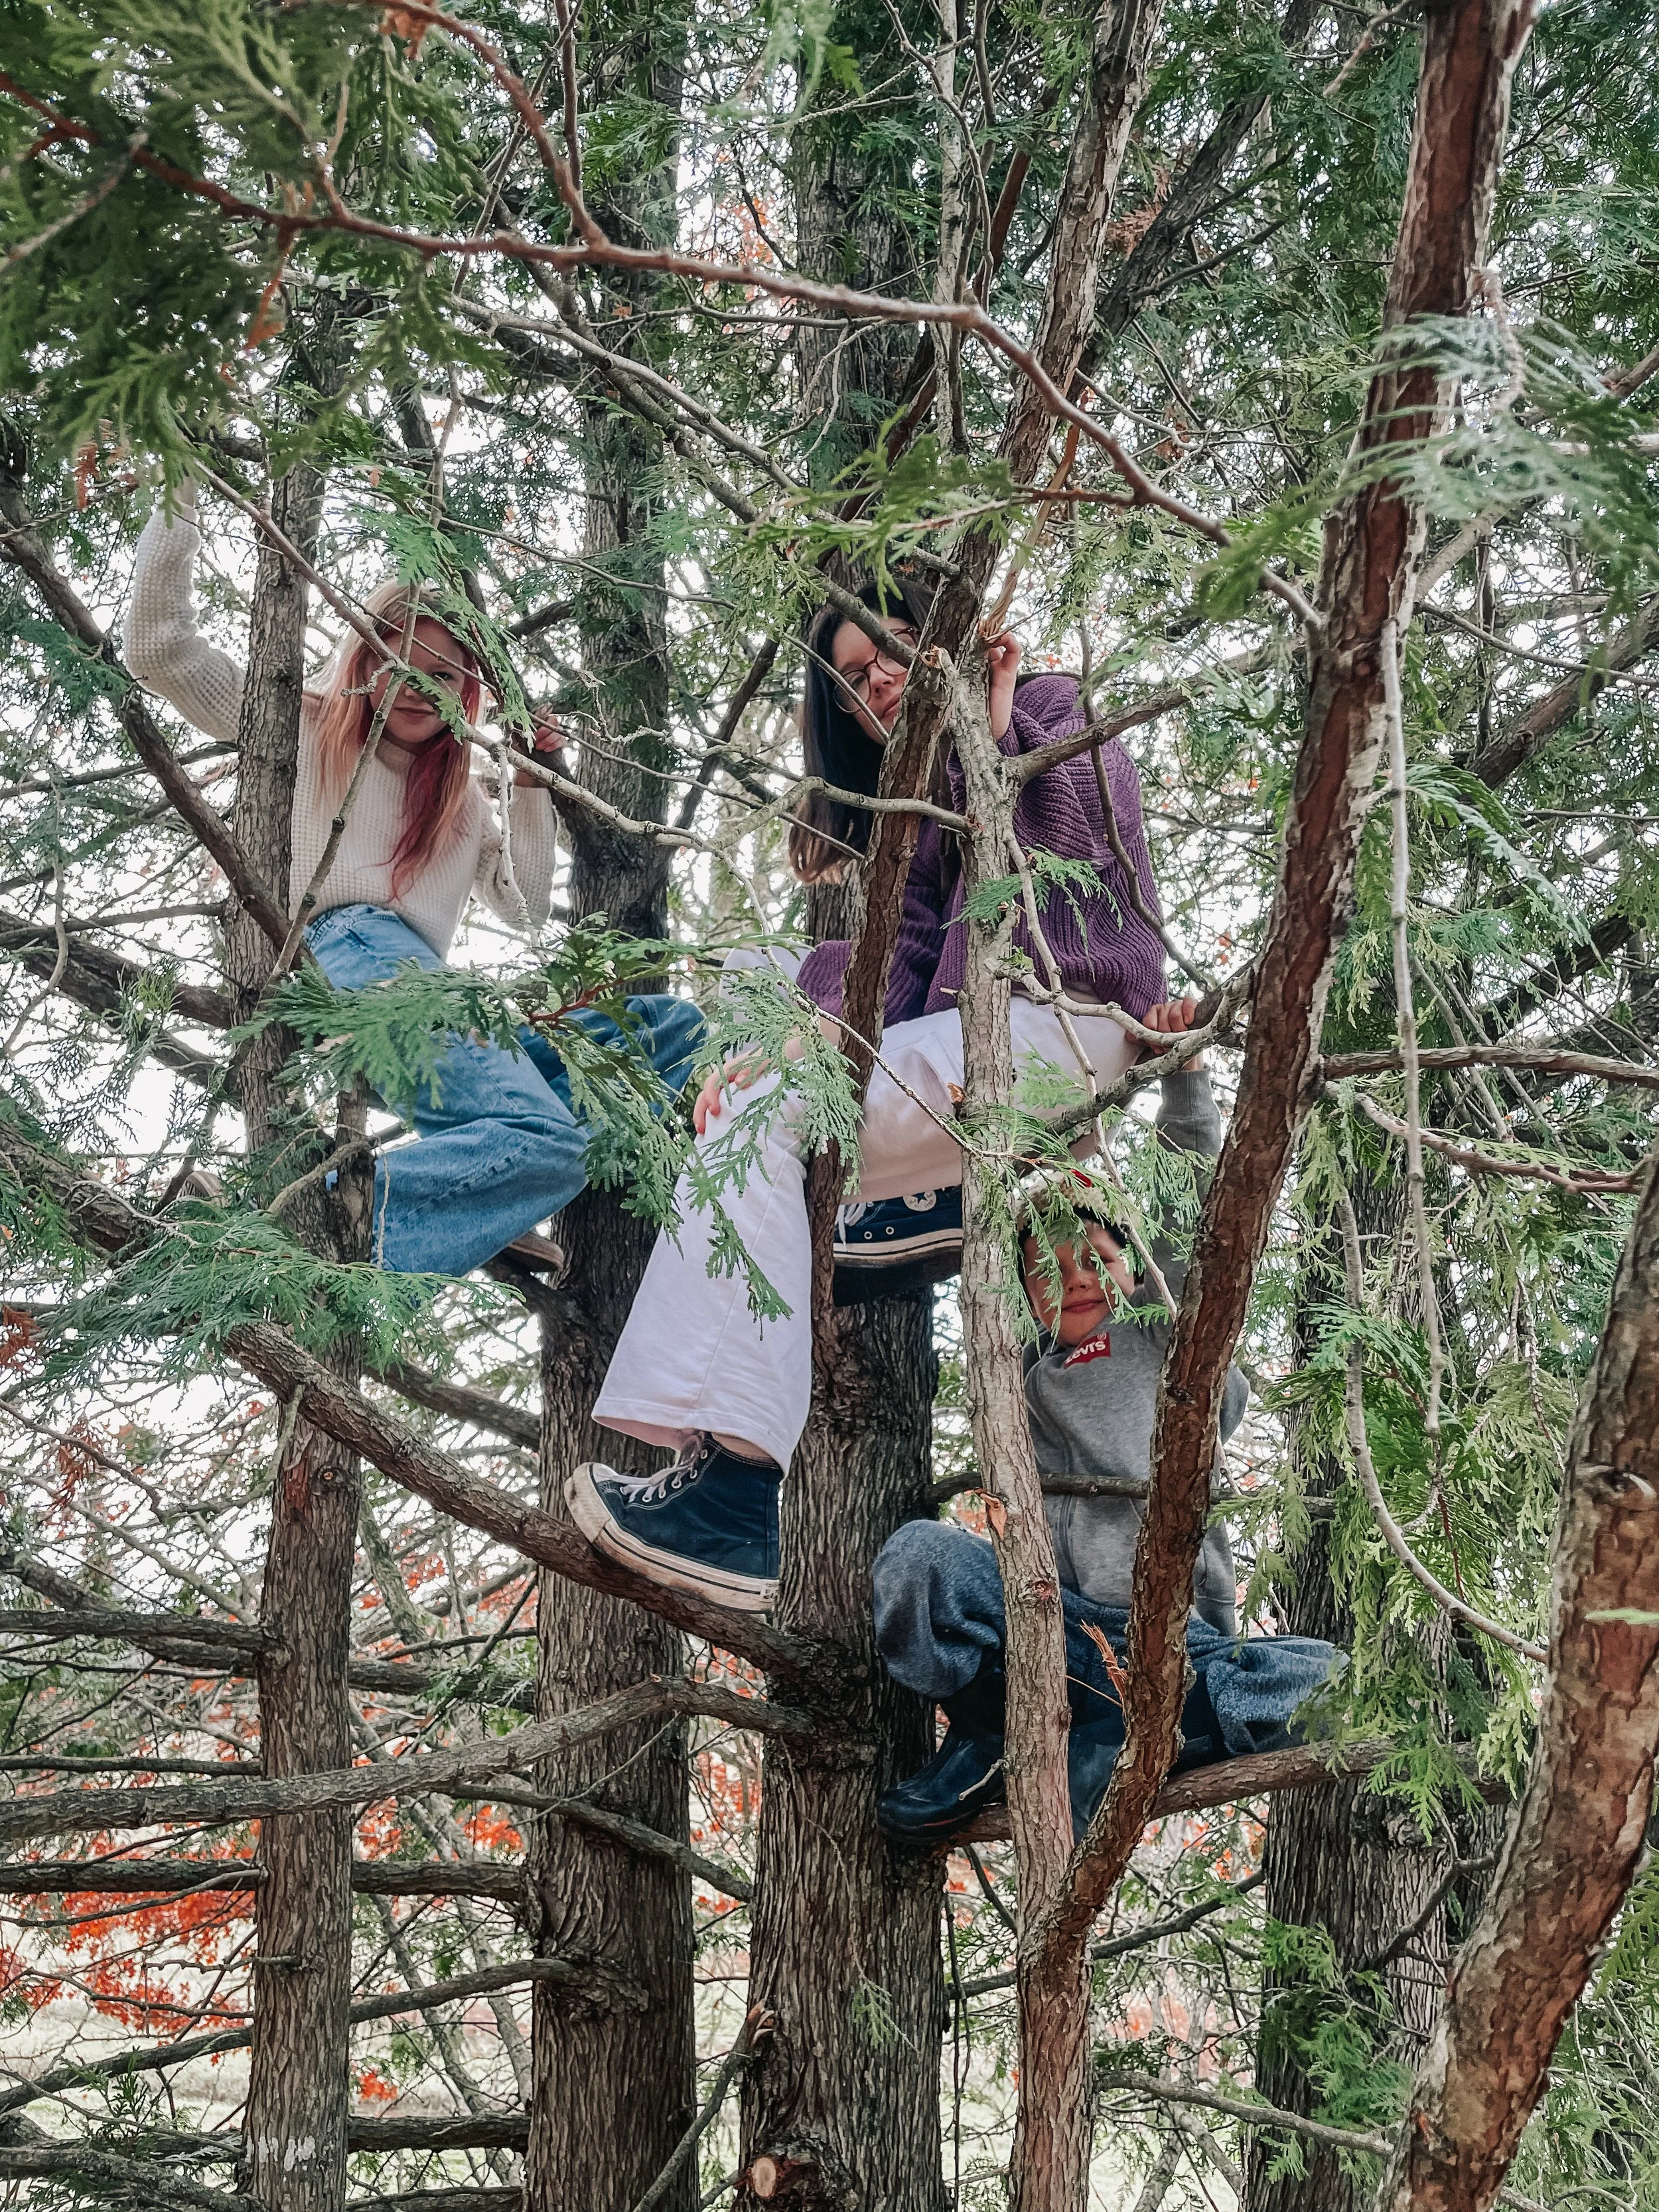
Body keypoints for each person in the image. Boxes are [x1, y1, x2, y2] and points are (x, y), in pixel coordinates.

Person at [565, 573, 1172, 1611]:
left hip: (1063, 1029)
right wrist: (783, 1031)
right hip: (975, 1055)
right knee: (762, 1045)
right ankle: (731, 1463)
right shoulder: (918, 801)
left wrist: (995, 733)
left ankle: (737, 1495)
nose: (880, 678)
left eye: (895, 645)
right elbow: (904, 971)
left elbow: (1075, 865)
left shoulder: (1057, 712)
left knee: (774, 1107)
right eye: (854, 677)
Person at [127, 484, 702, 1278]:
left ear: (467, 689)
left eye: (441, 672)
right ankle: (293, 1215)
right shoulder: (300, 721)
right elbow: (160, 651)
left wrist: (530, 780)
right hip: (346, 957)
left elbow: (527, 909)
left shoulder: (458, 801)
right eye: (395, 660)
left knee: (669, 1031)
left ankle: (483, 1194)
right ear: (364, 658)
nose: (413, 684)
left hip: (429, 992)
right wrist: (180, 488)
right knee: (546, 1140)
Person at [871, 1015, 1340, 1843]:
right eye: (1047, 1266)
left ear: (1135, 1266)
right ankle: (993, 1729)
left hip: (1175, 1643)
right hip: (1055, 1642)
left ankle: (1167, 1728)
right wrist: (999, 1143)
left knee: (1326, 1673)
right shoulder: (1017, 1367)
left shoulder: (1165, 1333)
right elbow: (985, 1246)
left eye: (1096, 1256)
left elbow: (1197, 1215)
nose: (1074, 1276)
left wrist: (1182, 1080)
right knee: (917, 1557)